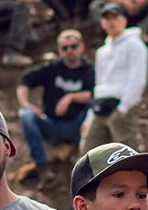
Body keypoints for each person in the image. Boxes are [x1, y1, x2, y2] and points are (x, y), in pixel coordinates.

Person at [18, 30, 96, 171]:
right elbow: (25, 80)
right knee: (26, 115)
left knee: (93, 110)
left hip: (77, 124)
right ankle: (41, 164)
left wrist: (71, 97)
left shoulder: (89, 70)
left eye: (73, 46)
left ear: (81, 47)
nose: (70, 51)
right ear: (59, 50)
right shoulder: (53, 68)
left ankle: (83, 161)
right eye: (65, 48)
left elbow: (93, 94)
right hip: (52, 124)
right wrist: (26, 103)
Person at [83, 4, 148, 152]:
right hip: (100, 106)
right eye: (107, 18)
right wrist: (90, 114)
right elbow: (99, 82)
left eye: (115, 17)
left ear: (124, 20)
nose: (111, 22)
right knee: (90, 152)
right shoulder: (102, 51)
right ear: (102, 23)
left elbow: (138, 78)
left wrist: (123, 108)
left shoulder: (135, 45)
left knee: (127, 153)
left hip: (122, 106)